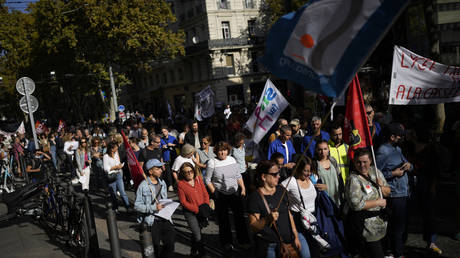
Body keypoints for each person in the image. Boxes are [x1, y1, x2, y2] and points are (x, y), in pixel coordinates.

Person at [248, 160, 301, 257]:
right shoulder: (255, 197)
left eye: (279, 173)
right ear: (264, 177)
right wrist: (267, 219)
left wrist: (296, 236)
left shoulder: (281, 190)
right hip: (269, 245)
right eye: (275, 174)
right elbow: (253, 226)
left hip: (288, 242)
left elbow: (289, 214)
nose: (279, 176)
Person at [376, 123, 413, 258]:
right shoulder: (382, 151)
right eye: (399, 136)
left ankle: (396, 251)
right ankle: (396, 253)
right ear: (392, 137)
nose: (402, 138)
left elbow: (410, 164)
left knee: (401, 226)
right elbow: (377, 174)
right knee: (396, 227)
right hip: (394, 194)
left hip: (404, 193)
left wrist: (409, 166)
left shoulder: (398, 149)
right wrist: (393, 173)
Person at [345, 148, 390, 258]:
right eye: (358, 162)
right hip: (366, 227)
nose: (362, 165)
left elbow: (387, 192)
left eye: (365, 162)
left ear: (370, 161)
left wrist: (381, 186)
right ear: (354, 162)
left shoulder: (375, 171)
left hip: (380, 223)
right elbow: (356, 205)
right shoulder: (353, 179)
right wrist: (377, 202)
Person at [205, 141, 250, 251]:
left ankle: (243, 241)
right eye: (220, 151)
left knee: (239, 218)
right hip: (221, 195)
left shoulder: (232, 159)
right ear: (216, 152)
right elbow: (207, 180)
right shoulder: (212, 162)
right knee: (223, 220)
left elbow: (238, 175)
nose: (222, 153)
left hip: (234, 193)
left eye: (224, 150)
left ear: (228, 151)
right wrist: (215, 192)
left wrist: (243, 188)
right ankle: (227, 242)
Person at [134, 158, 175, 258]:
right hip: (152, 221)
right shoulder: (143, 186)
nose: (161, 170)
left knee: (170, 246)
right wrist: (153, 207)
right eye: (158, 168)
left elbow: (163, 199)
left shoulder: (162, 183)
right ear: (150, 171)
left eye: (161, 168)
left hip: (165, 218)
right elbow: (137, 205)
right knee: (154, 248)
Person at [281, 157, 316, 258]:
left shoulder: (312, 178)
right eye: (305, 170)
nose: (308, 173)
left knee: (316, 252)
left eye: (310, 170)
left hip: (312, 221)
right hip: (298, 222)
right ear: (299, 169)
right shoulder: (291, 181)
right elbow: (277, 194)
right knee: (305, 255)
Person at [177, 162, 210, 257]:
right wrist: (196, 209)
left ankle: (193, 252)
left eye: (191, 171)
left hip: (201, 210)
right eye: (186, 172)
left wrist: (206, 206)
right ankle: (203, 254)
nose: (189, 173)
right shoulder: (181, 185)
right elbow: (183, 202)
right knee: (198, 234)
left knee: (197, 232)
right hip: (190, 213)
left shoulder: (199, 179)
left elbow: (205, 194)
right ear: (183, 174)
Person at [314, 140, 344, 207]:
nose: (323, 152)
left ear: (328, 149)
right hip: (325, 200)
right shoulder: (315, 164)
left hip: (337, 199)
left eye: (325, 149)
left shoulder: (333, 160)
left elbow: (339, 177)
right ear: (316, 150)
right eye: (320, 149)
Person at [103, 141, 131, 213]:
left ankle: (128, 207)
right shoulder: (106, 156)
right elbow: (106, 169)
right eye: (116, 148)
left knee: (122, 192)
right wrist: (115, 167)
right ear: (111, 149)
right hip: (111, 176)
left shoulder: (116, 154)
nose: (117, 148)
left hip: (118, 174)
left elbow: (118, 162)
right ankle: (115, 208)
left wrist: (120, 165)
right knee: (113, 194)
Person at [160, 126, 177, 192]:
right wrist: (162, 147)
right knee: (168, 172)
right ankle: (170, 185)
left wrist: (172, 145)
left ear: (167, 131)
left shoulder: (172, 138)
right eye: (162, 132)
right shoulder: (161, 140)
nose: (163, 133)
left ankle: (175, 183)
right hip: (166, 157)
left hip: (173, 157)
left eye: (165, 131)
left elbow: (178, 145)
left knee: (174, 170)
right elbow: (159, 148)